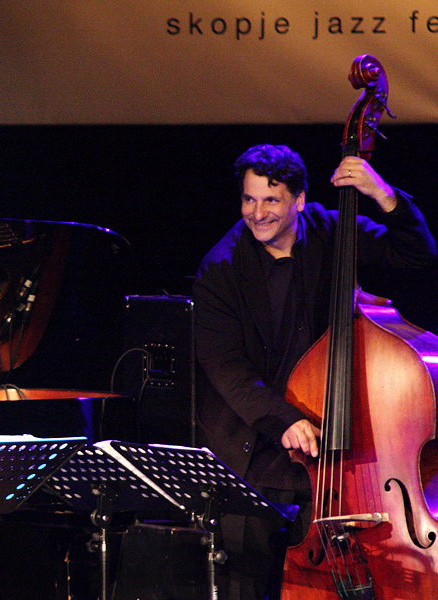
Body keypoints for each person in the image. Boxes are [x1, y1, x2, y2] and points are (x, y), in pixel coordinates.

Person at [192, 144, 436, 600]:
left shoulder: (332, 229)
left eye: (271, 200)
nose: (257, 213)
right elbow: (225, 368)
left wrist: (383, 194)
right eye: (248, 199)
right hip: (254, 450)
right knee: (248, 586)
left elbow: (418, 254)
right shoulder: (220, 267)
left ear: (299, 199)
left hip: (333, 457)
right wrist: (285, 420)